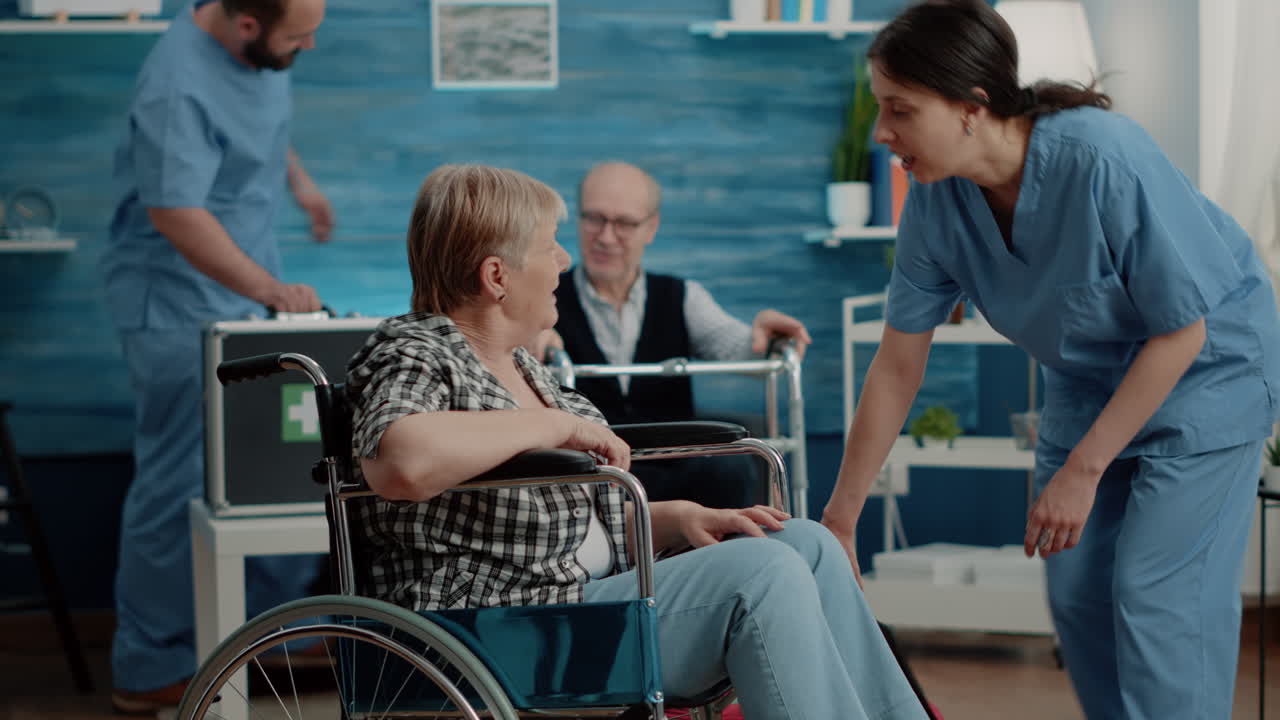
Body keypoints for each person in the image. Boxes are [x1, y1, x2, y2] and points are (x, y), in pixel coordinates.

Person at [819, 2, 1280, 718]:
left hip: (1206, 373)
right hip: (1092, 380)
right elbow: (896, 366)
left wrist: (1083, 470)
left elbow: (1182, 332)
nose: (881, 134)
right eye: (880, 109)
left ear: (971, 107)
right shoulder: (936, 206)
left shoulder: (1102, 157)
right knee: (1079, 593)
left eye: (899, 110)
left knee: (1158, 595)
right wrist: (841, 520)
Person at [346, 164, 927, 720]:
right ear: (497, 277)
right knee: (762, 574)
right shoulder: (416, 350)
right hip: (501, 624)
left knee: (806, 542)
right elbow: (402, 462)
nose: (565, 259)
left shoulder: (522, 366)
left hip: (580, 599)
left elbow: (573, 518)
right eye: (551, 246)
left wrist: (680, 518)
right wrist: (556, 426)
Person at [100, 0, 332, 711]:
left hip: (246, 286)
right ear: (245, 26)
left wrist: (297, 181)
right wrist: (269, 289)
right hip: (176, 299)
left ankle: (271, 637)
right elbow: (176, 212)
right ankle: (148, 669)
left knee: (272, 459)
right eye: (297, 37)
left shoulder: (263, 44)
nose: (307, 48)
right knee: (178, 481)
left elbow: (260, 116)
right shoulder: (176, 84)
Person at [541, 161, 812, 508]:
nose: (605, 236)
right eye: (594, 218)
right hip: (592, 475)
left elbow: (741, 347)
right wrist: (536, 341)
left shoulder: (682, 297)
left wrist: (770, 339)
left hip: (674, 470)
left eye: (623, 223)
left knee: (731, 469)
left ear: (651, 228)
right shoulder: (544, 297)